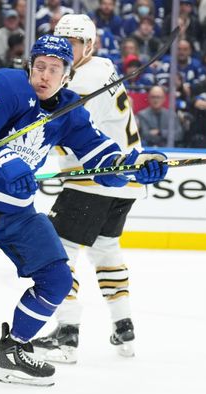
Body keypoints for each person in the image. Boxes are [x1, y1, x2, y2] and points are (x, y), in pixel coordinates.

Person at [0, 34, 168, 386]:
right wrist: (3, 160)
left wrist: (134, 167)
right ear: (29, 66)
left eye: (55, 69)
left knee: (58, 279)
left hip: (18, 213)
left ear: (68, 76)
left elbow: (103, 162)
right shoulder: (7, 85)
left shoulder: (71, 110)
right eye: (39, 67)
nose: (44, 76)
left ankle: (14, 349)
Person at [27, 15, 161, 363]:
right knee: (105, 249)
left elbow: (64, 129)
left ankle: (66, 335)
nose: (67, 48)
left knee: (59, 254)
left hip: (96, 180)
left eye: (74, 43)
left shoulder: (86, 79)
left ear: (90, 45)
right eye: (63, 40)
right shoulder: (102, 68)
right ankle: (124, 325)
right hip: (123, 183)